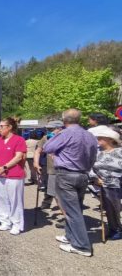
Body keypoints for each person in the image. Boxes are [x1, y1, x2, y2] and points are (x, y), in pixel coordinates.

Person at [43, 109, 98, 256]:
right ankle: (70, 236)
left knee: (72, 211)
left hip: (67, 174)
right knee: (75, 208)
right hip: (83, 174)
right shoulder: (89, 134)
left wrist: (56, 136)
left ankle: (81, 246)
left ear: (64, 119)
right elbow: (94, 156)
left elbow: (47, 147)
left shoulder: (65, 133)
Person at [0, 117, 27, 235]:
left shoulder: (19, 140)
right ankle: (5, 221)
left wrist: (4, 167)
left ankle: (17, 224)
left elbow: (18, 157)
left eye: (2, 126)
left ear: (9, 127)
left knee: (15, 200)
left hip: (14, 174)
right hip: (0, 174)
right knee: (1, 198)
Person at [89, 126, 122, 240]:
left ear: (109, 139)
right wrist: (94, 178)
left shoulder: (120, 151)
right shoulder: (97, 153)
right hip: (103, 184)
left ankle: (116, 228)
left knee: (115, 208)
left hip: (118, 183)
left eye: (100, 138)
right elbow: (90, 168)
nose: (97, 139)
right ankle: (116, 229)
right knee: (111, 208)